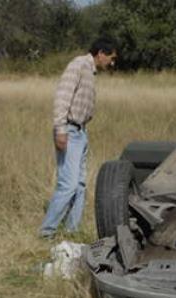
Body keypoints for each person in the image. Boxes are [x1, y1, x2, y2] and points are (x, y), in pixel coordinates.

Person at [39, 38, 117, 238]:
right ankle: (46, 233)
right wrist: (60, 129)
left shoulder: (90, 71)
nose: (112, 63)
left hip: (80, 131)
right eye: (111, 57)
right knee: (69, 185)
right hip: (70, 131)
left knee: (80, 185)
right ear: (101, 53)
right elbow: (62, 97)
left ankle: (72, 232)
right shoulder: (78, 65)